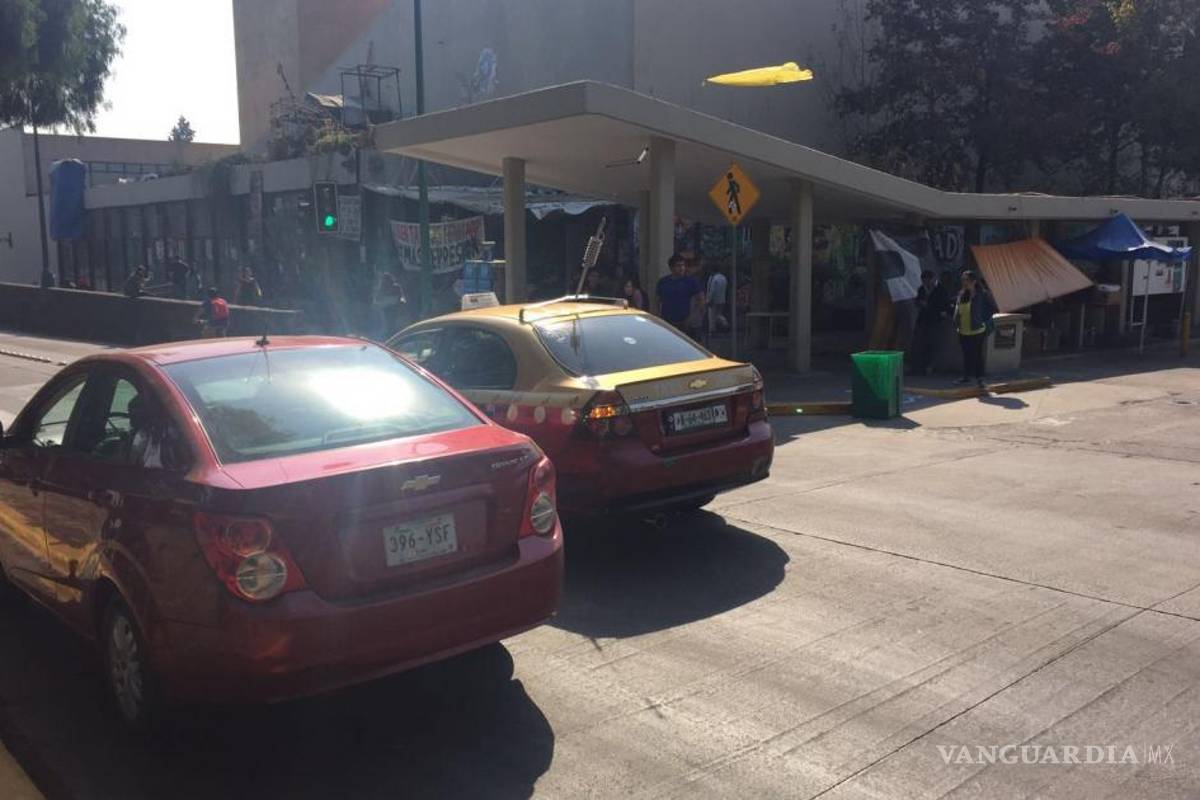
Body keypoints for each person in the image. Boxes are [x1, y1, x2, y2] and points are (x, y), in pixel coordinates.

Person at [953, 270, 997, 388]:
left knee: (977, 354)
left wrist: (982, 320)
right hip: (963, 329)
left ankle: (980, 378)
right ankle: (966, 376)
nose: (964, 282)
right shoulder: (962, 295)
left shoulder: (982, 294)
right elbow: (958, 309)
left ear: (974, 281)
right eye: (963, 280)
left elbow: (992, 308)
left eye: (966, 280)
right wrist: (956, 321)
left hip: (977, 330)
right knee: (966, 354)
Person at [911, 270, 952, 375]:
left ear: (933, 279)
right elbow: (917, 301)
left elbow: (945, 305)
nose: (926, 284)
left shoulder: (941, 290)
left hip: (935, 320)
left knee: (933, 343)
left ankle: (931, 366)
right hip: (923, 320)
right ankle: (919, 366)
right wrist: (920, 303)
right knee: (920, 343)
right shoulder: (921, 289)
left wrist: (930, 306)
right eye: (924, 281)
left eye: (928, 281)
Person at [656, 253, 703, 335]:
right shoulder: (663, 282)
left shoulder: (690, 281)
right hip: (667, 321)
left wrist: (693, 316)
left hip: (684, 321)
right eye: (678, 266)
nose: (682, 268)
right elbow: (657, 300)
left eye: (683, 265)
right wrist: (658, 316)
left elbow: (701, 299)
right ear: (671, 267)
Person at [372, 271, 407, 339]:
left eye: (387, 279)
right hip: (386, 309)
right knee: (387, 323)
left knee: (393, 323)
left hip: (394, 308)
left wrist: (397, 302)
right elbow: (377, 299)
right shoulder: (381, 288)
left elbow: (400, 297)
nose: (386, 281)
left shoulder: (396, 287)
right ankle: (389, 334)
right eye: (384, 280)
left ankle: (392, 334)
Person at [705, 263, 730, 341]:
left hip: (714, 300)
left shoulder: (714, 278)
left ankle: (712, 331)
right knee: (719, 314)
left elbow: (712, 290)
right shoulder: (723, 278)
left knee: (711, 316)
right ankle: (724, 323)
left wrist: (709, 299)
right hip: (722, 299)